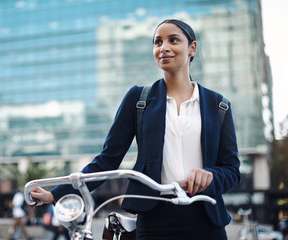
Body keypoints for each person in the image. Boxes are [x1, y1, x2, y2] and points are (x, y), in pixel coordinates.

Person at [29, 19, 241, 239]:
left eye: (173, 40)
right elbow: (107, 160)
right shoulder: (139, 100)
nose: (164, 47)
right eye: (158, 42)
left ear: (192, 48)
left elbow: (232, 170)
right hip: (154, 220)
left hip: (206, 219)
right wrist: (55, 195)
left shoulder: (218, 105)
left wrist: (210, 176)